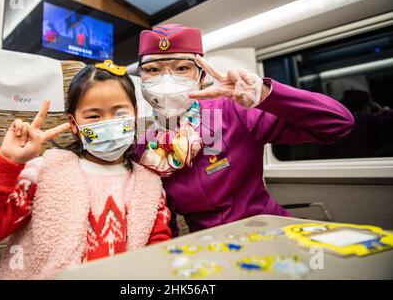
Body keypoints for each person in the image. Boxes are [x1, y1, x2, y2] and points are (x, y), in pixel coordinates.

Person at [0, 60, 171, 279]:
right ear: (74, 124)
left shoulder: (149, 184)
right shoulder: (45, 173)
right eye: (94, 116)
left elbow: (157, 255)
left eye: (120, 113)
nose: (108, 123)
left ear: (135, 113)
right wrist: (6, 161)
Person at [135, 24, 355, 234]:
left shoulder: (233, 109)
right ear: (141, 79)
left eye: (182, 68)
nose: (166, 80)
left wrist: (267, 95)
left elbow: (338, 124)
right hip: (204, 246)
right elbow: (159, 213)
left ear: (202, 77)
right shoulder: (143, 139)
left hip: (268, 230)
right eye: (152, 69)